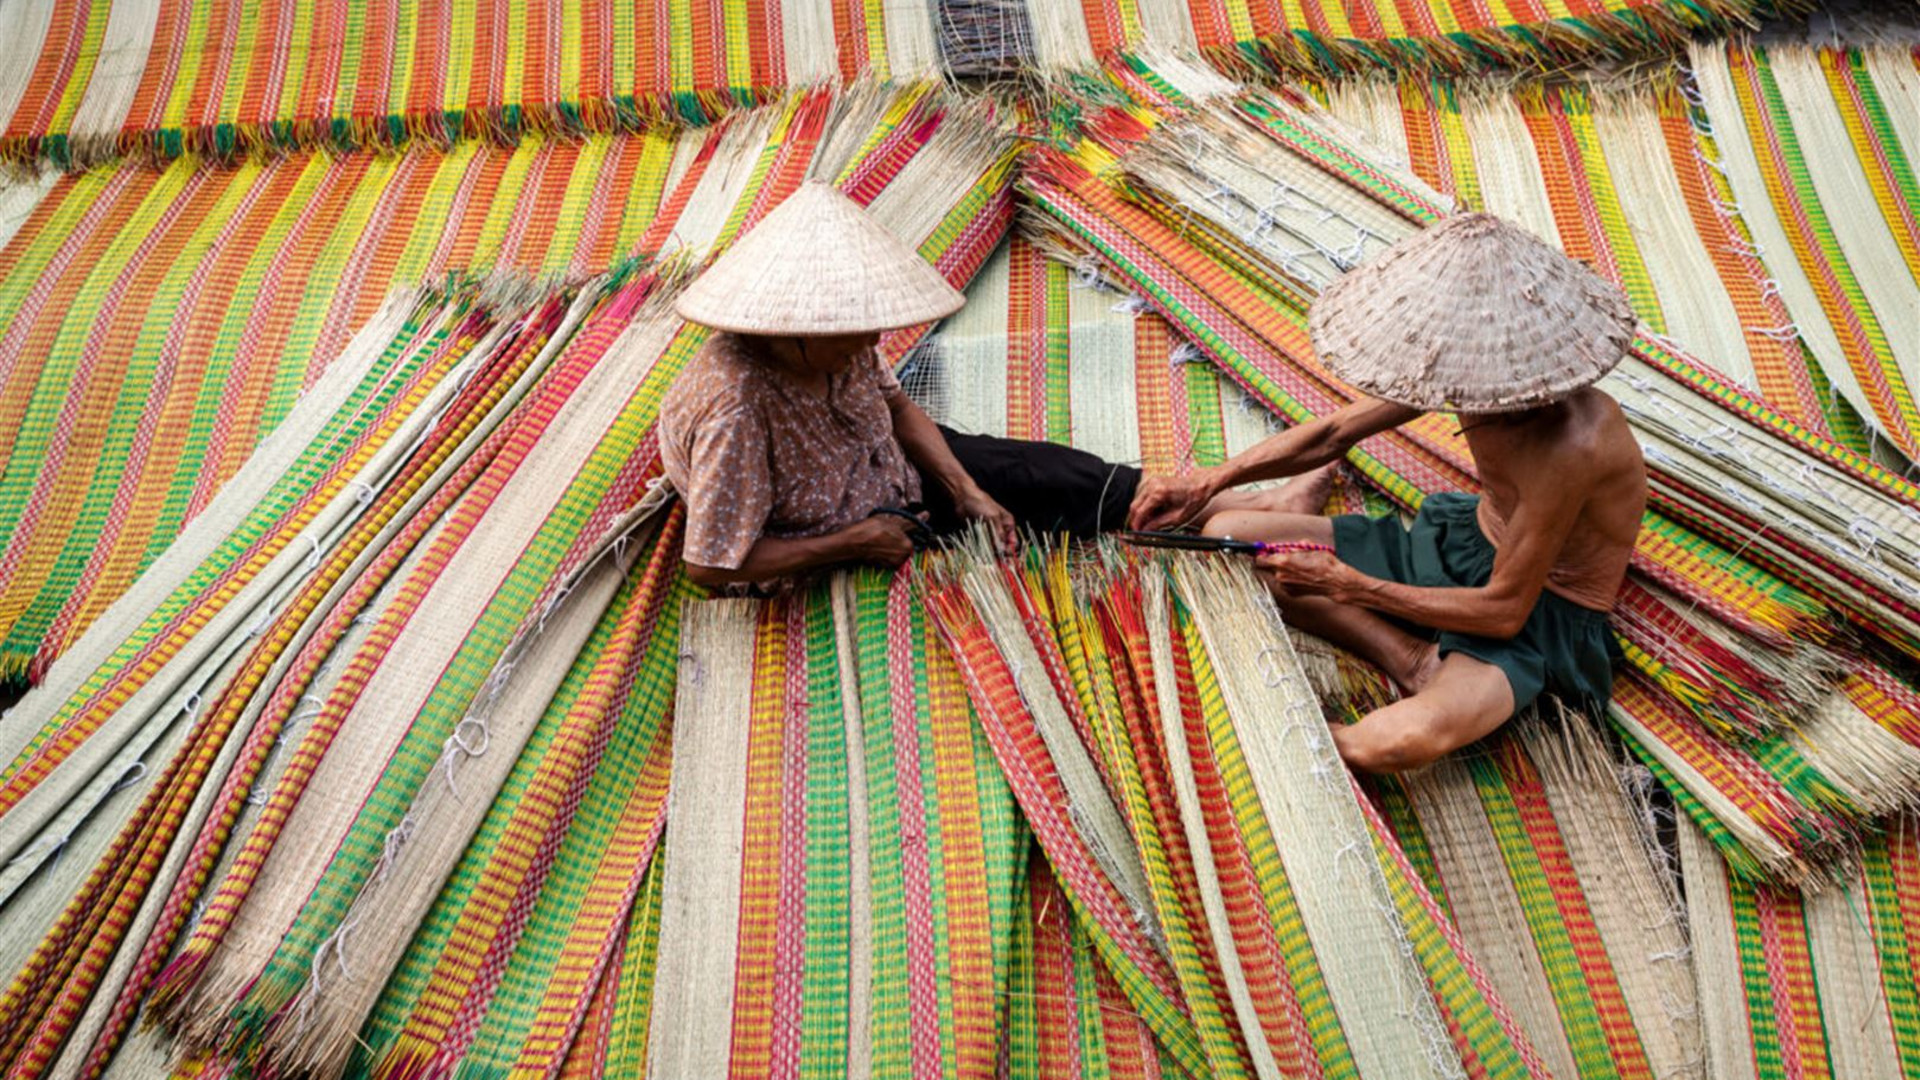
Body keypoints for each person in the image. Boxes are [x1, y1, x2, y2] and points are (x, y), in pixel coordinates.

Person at [1130, 213, 1647, 774]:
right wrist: (1211, 480)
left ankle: (1413, 668)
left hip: (1536, 614)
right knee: (1227, 533)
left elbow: (1503, 611)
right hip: (1463, 545)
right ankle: (1407, 655)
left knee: (1387, 745)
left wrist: (1351, 586)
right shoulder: (1468, 366)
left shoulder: (1574, 445)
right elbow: (1333, 435)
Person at [662, 181, 1140, 588]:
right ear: (797, 331)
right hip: (835, 541)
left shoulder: (842, 344)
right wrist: (853, 542)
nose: (874, 339)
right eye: (859, 331)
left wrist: (963, 489)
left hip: (895, 472)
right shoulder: (737, 412)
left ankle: (1158, 497)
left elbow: (897, 406)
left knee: (1052, 477)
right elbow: (709, 564)